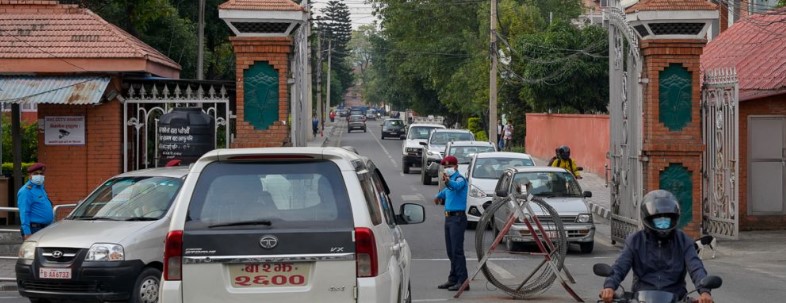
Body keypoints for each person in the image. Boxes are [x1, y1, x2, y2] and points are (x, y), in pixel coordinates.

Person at [599, 190, 713, 303]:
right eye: (658, 220)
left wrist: (704, 291)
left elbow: (696, 267)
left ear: (673, 219)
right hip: (641, 299)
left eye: (666, 220)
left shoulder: (683, 241)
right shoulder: (635, 240)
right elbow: (620, 267)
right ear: (648, 219)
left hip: (676, 298)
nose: (663, 224)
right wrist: (609, 286)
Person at [433, 155, 469, 291]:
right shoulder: (449, 181)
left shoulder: (460, 179)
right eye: (445, 167)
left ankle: (463, 281)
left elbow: (455, 187)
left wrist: (448, 182)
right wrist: (437, 196)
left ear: (456, 167)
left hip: (457, 219)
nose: (447, 169)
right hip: (449, 219)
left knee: (457, 251)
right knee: (450, 251)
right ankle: (453, 278)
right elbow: (445, 192)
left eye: (449, 167)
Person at [18, 163, 54, 240]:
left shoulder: (40, 188)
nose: (39, 176)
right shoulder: (26, 191)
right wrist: (27, 233)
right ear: (30, 175)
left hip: (44, 228)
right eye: (36, 174)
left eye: (41, 174)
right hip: (34, 229)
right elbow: (24, 213)